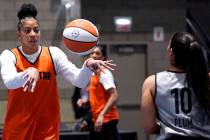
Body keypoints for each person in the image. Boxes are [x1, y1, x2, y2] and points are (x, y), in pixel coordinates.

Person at [0, 3, 115, 140]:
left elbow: (79, 81)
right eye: (27, 30)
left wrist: (86, 67)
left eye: (36, 30)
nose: (33, 34)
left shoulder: (53, 54)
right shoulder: (9, 55)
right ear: (19, 34)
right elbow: (9, 82)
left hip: (47, 130)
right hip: (17, 129)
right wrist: (28, 71)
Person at [140, 32, 210, 140]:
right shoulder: (206, 79)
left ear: (171, 52)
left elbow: (149, 127)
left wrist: (170, 127)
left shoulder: (152, 83)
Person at [77, 46, 121, 140]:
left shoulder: (105, 74)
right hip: (96, 119)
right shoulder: (92, 75)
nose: (94, 55)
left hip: (107, 120)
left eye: (97, 53)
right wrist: (85, 103)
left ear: (103, 58)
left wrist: (101, 115)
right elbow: (97, 100)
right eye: (92, 53)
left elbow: (114, 96)